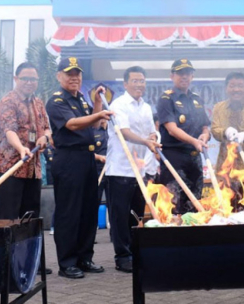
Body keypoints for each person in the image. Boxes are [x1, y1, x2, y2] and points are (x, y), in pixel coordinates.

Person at [46, 56, 113, 279]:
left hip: (86, 159)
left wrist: (97, 103)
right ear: (59, 76)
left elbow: (93, 123)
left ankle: (85, 258)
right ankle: (67, 263)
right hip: (68, 160)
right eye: (69, 74)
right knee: (69, 213)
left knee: (88, 211)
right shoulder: (56, 101)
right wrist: (100, 113)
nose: (74, 78)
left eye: (77, 74)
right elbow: (72, 124)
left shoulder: (81, 100)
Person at [106, 66, 160, 273]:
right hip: (120, 169)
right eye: (135, 81)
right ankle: (122, 256)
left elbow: (151, 131)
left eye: (142, 81)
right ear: (125, 84)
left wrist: (153, 138)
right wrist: (147, 142)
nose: (139, 85)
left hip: (140, 169)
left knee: (136, 214)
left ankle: (135, 251)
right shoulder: (118, 105)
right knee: (119, 216)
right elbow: (125, 133)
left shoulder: (145, 106)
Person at [0, 62, 51, 220]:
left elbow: (47, 128)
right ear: (16, 78)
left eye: (33, 79)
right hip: (11, 168)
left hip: (33, 170)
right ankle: (7, 246)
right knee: (9, 219)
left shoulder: (38, 103)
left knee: (31, 219)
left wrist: (44, 137)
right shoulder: (7, 102)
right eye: (25, 78)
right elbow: (9, 130)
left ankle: (30, 246)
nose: (29, 82)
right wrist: (20, 148)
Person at [156, 59, 211, 214]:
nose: (184, 77)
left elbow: (205, 127)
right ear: (172, 76)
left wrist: (205, 136)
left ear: (192, 76)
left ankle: (194, 237)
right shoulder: (166, 99)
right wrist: (194, 141)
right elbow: (172, 129)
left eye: (188, 73)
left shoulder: (196, 99)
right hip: (174, 158)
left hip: (195, 159)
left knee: (195, 204)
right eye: (180, 73)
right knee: (174, 204)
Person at [211, 72, 244, 172]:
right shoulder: (218, 108)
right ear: (226, 89)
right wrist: (225, 132)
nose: (236, 89)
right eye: (232, 86)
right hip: (225, 169)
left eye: (240, 86)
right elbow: (215, 130)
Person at [94, 119, 108, 207]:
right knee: (94, 201)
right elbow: (86, 152)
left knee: (114, 203)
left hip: (113, 171)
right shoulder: (92, 130)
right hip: (97, 170)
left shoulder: (113, 129)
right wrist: (99, 157)